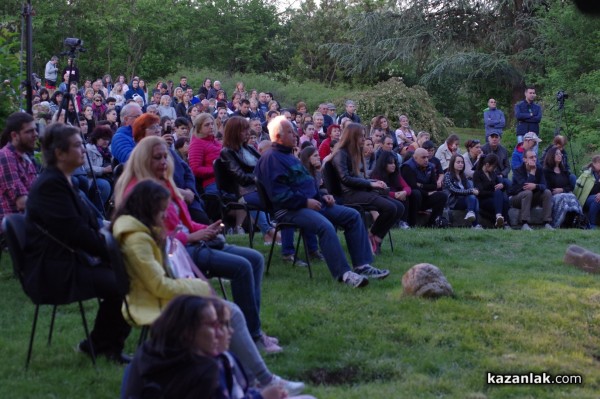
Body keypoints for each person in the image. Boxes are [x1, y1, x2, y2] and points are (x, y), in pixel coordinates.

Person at [114, 136, 281, 353]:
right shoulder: (138, 190)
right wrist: (192, 237)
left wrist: (204, 228)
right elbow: (154, 236)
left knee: (256, 259)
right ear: (143, 160)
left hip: (190, 243)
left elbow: (183, 222)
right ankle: (251, 335)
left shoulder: (165, 181)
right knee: (242, 267)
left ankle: (251, 329)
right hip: (175, 254)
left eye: (166, 156)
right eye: (157, 158)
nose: (164, 162)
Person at [25, 123, 131, 363]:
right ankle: (106, 346)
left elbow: (90, 224)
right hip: (55, 268)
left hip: (68, 258)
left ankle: (98, 344)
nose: (83, 150)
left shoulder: (63, 180)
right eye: (77, 146)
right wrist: (113, 251)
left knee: (126, 272)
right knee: (123, 282)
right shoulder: (52, 185)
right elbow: (76, 232)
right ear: (60, 153)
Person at [255, 115, 389, 287]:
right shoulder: (271, 159)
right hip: (289, 209)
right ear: (278, 136)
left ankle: (362, 265)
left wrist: (322, 196)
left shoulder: (289, 156)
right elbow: (279, 195)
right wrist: (305, 202)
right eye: (290, 131)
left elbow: (306, 185)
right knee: (324, 226)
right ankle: (344, 275)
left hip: (310, 203)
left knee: (353, 216)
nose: (295, 134)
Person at [213, 298, 315, 399]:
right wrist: (262, 396)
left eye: (228, 325)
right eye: (222, 326)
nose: (231, 331)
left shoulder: (226, 358)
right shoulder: (208, 372)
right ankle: (265, 380)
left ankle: (261, 382)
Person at [123, 295, 221, 399]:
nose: (219, 332)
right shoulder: (206, 370)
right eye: (212, 325)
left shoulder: (146, 352)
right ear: (188, 331)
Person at [331, 123, 403, 254]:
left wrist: (374, 182)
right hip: (349, 195)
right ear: (352, 137)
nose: (364, 139)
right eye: (361, 136)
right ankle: (374, 238)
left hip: (359, 190)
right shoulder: (341, 153)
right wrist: (370, 184)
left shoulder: (353, 153)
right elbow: (345, 179)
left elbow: (358, 177)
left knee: (399, 207)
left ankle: (374, 237)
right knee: (390, 208)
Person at [219, 116, 280, 244]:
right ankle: (271, 232)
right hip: (243, 192)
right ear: (234, 132)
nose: (248, 132)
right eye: (244, 130)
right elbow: (241, 178)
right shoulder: (227, 152)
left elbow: (265, 164)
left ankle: (269, 233)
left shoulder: (249, 148)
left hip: (258, 188)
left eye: (247, 129)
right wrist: (261, 177)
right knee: (278, 198)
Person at [0, 112, 38, 229]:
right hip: (16, 231)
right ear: (14, 135)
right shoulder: (5, 157)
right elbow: (22, 203)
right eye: (29, 131)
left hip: (32, 224)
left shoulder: (26, 157)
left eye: (35, 130)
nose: (35, 134)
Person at [400, 148, 449, 227]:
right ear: (415, 158)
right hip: (412, 199)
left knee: (442, 196)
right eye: (423, 157)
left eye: (427, 157)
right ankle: (411, 223)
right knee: (416, 193)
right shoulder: (407, 167)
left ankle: (433, 222)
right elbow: (412, 186)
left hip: (425, 197)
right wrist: (426, 192)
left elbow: (434, 186)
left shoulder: (430, 166)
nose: (426, 160)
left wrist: (421, 185)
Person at [509, 149, 554, 230]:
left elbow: (544, 185)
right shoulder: (518, 170)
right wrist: (532, 172)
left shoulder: (539, 169)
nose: (534, 159)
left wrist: (536, 186)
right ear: (524, 159)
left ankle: (547, 222)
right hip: (517, 198)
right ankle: (524, 223)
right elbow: (525, 186)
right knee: (528, 192)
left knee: (547, 192)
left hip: (532, 197)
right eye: (531, 157)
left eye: (535, 157)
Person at [542, 146, 584, 228]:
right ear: (551, 156)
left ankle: (577, 220)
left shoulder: (564, 171)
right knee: (564, 198)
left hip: (564, 193)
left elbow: (570, 186)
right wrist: (558, 191)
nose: (559, 155)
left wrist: (562, 189)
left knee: (572, 197)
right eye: (557, 154)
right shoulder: (546, 171)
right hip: (553, 196)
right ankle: (560, 222)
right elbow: (547, 187)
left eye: (560, 154)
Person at [369, 151, 412, 229]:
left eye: (394, 163)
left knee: (406, 196)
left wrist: (404, 192)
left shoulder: (395, 174)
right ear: (384, 164)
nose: (393, 165)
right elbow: (378, 192)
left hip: (395, 196)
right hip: (382, 197)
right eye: (390, 163)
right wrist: (394, 194)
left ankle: (403, 222)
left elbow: (407, 187)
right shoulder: (376, 175)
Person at [443, 154, 483, 229]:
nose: (461, 164)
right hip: (453, 201)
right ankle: (475, 224)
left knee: (474, 198)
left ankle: (472, 215)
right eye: (458, 162)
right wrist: (471, 191)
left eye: (462, 162)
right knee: (472, 196)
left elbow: (469, 188)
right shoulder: (447, 175)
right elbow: (454, 190)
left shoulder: (463, 175)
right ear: (452, 163)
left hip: (464, 200)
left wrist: (475, 190)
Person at [472, 154, 510, 229]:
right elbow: (480, 192)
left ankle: (503, 221)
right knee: (499, 195)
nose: (494, 169)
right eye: (493, 167)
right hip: (484, 199)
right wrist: (493, 193)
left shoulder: (493, 173)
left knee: (505, 199)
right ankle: (501, 219)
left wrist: (502, 185)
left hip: (495, 198)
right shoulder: (477, 174)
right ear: (487, 165)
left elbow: (499, 183)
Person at [189, 113, 221, 195]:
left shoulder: (215, 141)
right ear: (199, 129)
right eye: (207, 125)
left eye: (212, 124)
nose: (211, 127)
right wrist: (217, 170)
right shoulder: (197, 144)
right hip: (212, 183)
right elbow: (195, 169)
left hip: (224, 179)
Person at [83, 125, 114, 211]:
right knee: (104, 185)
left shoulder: (108, 150)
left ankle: (109, 211)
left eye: (108, 139)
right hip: (92, 179)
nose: (106, 142)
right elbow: (86, 168)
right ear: (96, 138)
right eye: (104, 139)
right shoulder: (88, 149)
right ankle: (98, 212)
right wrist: (104, 170)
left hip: (108, 177)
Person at [574, 155, 600, 228]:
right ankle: (592, 224)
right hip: (586, 199)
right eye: (599, 162)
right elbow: (578, 188)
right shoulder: (586, 174)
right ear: (594, 164)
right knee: (596, 200)